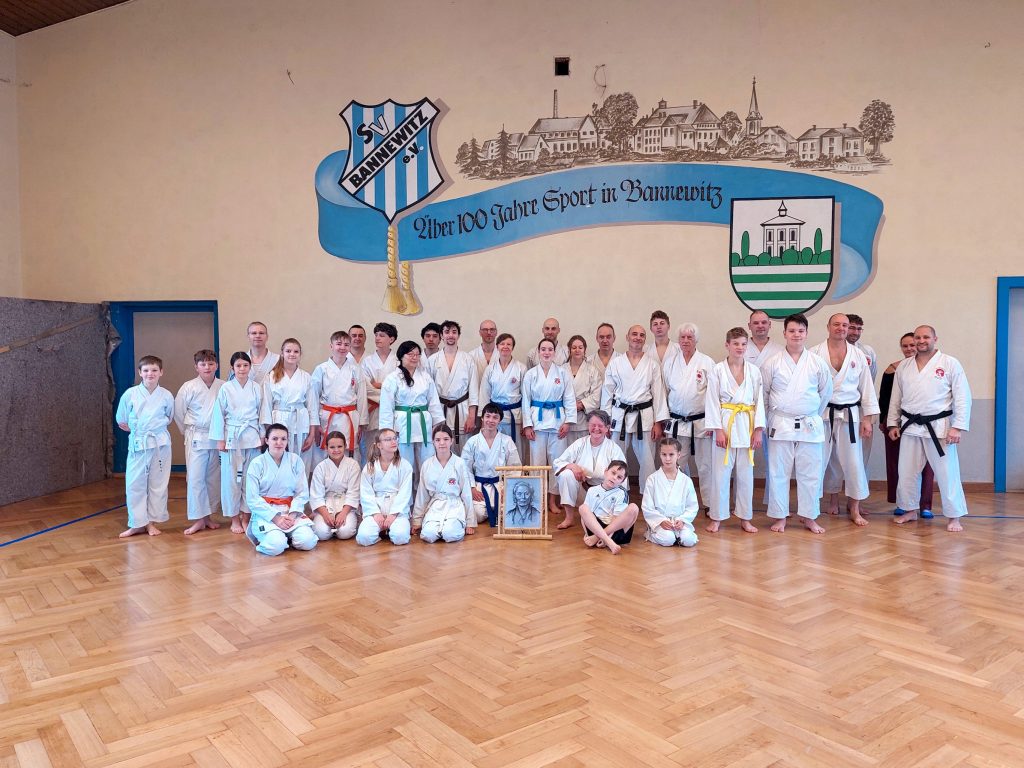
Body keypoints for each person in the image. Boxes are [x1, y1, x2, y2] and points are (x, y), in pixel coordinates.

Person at [887, 325, 972, 532]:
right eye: (918, 337)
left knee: (947, 472)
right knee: (906, 471)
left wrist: (958, 427)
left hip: (939, 426)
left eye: (926, 337)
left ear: (935, 339)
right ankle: (909, 510)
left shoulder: (949, 363)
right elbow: (896, 397)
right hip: (910, 425)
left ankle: (954, 516)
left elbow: (963, 396)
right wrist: (892, 423)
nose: (921, 341)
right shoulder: (904, 366)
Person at [761, 314, 833, 534]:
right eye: (792, 331)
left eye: (801, 331)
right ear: (784, 333)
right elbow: (763, 395)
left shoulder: (817, 363)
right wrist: (766, 421)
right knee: (778, 472)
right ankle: (780, 516)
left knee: (811, 473)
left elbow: (825, 393)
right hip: (781, 423)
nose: (796, 335)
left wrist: (810, 412)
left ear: (806, 333)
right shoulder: (772, 363)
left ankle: (809, 516)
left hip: (809, 422)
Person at [810, 314, 879, 527]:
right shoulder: (813, 353)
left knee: (854, 462)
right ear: (828, 326)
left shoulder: (858, 355)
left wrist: (867, 419)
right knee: (817, 461)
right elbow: (807, 386)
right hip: (822, 414)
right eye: (837, 324)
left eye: (845, 325)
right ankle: (810, 509)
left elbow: (867, 387)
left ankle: (855, 508)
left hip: (850, 414)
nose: (841, 328)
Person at [704, 328, 765, 533]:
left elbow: (759, 401)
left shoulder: (754, 371)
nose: (740, 347)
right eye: (736, 343)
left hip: (747, 424)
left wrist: (758, 430)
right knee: (720, 475)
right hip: (726, 424)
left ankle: (745, 518)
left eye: (743, 344)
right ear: (727, 345)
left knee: (746, 475)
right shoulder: (717, 370)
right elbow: (712, 401)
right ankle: (717, 517)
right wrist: (718, 430)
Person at [600, 325, 668, 488]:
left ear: (645, 339)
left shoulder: (652, 364)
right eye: (634, 334)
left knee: (647, 459)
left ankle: (649, 494)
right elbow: (607, 393)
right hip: (619, 415)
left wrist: (658, 422)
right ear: (627, 337)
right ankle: (617, 492)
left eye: (641, 335)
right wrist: (605, 421)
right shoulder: (616, 363)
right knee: (616, 458)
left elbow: (658, 394)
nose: (638, 338)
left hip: (644, 416)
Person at [116, 355, 174, 538]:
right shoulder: (130, 394)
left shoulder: (166, 395)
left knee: (158, 484)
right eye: (146, 370)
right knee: (134, 484)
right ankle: (136, 523)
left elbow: (169, 417)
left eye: (154, 370)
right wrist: (139, 430)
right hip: (139, 443)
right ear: (140, 372)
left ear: (161, 372)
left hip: (159, 443)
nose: (150, 374)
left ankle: (151, 523)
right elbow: (122, 420)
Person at [880, 333, 935, 517]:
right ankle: (902, 502)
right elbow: (885, 399)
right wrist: (886, 422)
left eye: (912, 345)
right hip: (897, 422)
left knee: (927, 464)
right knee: (898, 463)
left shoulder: (932, 367)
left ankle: (925, 504)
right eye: (905, 346)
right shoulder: (893, 369)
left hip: (925, 422)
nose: (909, 348)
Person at [522, 338, 577, 520]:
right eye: (543, 349)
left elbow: (569, 398)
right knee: (537, 463)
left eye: (550, 349)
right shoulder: (531, 374)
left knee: (557, 462)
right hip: (537, 423)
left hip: (557, 422)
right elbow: (525, 400)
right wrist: (527, 425)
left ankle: (553, 500)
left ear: (554, 352)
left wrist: (568, 422)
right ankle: (538, 499)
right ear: (538, 352)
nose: (546, 352)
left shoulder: (562, 373)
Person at [210, 351, 264, 534]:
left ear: (250, 367)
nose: (242, 369)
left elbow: (262, 412)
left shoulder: (256, 387)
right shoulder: (226, 388)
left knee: (251, 480)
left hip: (252, 437)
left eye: (245, 365)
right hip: (232, 438)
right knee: (231, 481)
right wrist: (220, 440)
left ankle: (246, 517)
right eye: (238, 366)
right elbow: (218, 414)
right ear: (232, 368)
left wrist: (262, 436)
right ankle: (234, 519)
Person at [662, 323, 714, 509]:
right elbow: (664, 392)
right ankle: (677, 502)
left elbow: (713, 396)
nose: (685, 341)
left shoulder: (707, 362)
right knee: (675, 464)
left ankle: (709, 504)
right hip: (676, 422)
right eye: (682, 337)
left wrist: (713, 423)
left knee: (706, 465)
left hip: (701, 422)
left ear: (696, 340)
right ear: (678, 340)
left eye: (689, 337)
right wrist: (663, 420)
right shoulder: (670, 363)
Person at [244, 424, 318, 556]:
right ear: (267, 440)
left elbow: (302, 493)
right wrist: (276, 519)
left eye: (283, 439)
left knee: (308, 541)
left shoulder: (295, 460)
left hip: (290, 511)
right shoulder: (257, 463)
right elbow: (252, 499)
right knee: (276, 546)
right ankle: (275, 538)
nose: (279, 442)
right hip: (267, 513)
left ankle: (288, 537)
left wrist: (292, 516)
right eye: (275, 439)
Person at [174, 349, 224, 535]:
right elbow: (178, 413)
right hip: (196, 436)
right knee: (195, 478)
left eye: (211, 363)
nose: (207, 367)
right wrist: (187, 432)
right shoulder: (188, 387)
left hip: (216, 438)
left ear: (216, 365)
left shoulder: (223, 386)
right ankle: (198, 519)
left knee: (213, 479)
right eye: (203, 364)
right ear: (196, 367)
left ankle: (208, 517)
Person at [552, 410, 626, 529]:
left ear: (607, 428)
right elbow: (558, 462)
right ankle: (569, 518)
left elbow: (622, 476)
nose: (596, 428)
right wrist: (572, 466)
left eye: (600, 426)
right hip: (583, 491)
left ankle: (603, 517)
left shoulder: (614, 449)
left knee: (602, 521)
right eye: (593, 425)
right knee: (566, 474)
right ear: (588, 426)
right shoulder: (580, 443)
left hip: (605, 495)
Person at [379, 340, 444, 473]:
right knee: (404, 462)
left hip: (423, 423)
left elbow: (433, 402)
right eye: (410, 354)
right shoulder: (392, 378)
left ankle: (425, 486)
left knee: (427, 461)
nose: (414, 357)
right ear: (401, 356)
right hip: (402, 424)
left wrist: (437, 424)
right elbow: (386, 407)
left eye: (417, 354)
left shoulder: (425, 377)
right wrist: (387, 431)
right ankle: (406, 487)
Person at [261, 338, 317, 473]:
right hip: (279, 420)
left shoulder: (306, 377)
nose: (292, 354)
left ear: (300, 354)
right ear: (282, 353)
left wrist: (312, 434)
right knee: (279, 461)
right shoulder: (271, 376)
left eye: (296, 351)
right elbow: (266, 405)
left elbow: (312, 406)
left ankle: (301, 486)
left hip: (301, 422)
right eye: (288, 351)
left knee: (301, 462)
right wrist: (269, 431)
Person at [311, 331, 368, 463]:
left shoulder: (355, 369)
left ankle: (350, 475)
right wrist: (315, 423)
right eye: (339, 344)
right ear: (331, 346)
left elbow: (361, 397)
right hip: (327, 417)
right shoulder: (321, 369)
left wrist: (362, 423)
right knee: (325, 450)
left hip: (349, 417)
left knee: (349, 451)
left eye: (346, 344)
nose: (342, 347)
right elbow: (313, 397)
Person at [462, 403, 523, 527]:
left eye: (495, 417)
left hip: (500, 485)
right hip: (479, 487)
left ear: (500, 420)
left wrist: (508, 488)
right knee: (477, 514)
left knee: (509, 513)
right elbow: (465, 468)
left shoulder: (507, 441)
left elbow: (515, 467)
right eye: (488, 416)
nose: (491, 420)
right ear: (482, 418)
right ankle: (490, 511)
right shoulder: (472, 442)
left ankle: (497, 510)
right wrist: (472, 488)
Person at [412, 424, 475, 541]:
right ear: (433, 442)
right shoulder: (427, 464)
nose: (442, 443)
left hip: (454, 505)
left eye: (446, 439)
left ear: (451, 441)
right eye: (438, 440)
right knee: (428, 535)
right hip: (435, 506)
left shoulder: (459, 463)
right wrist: (417, 520)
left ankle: (453, 526)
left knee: (450, 534)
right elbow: (422, 495)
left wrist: (470, 522)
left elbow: (466, 493)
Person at [356, 429, 414, 546]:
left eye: (395, 438)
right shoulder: (370, 467)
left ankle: (390, 530)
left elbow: (405, 493)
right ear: (379, 445)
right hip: (376, 508)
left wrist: (393, 514)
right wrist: (375, 513)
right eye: (388, 439)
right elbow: (366, 494)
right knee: (363, 538)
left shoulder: (405, 466)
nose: (393, 442)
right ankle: (381, 531)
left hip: (397, 510)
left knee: (400, 537)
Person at [427, 320, 479, 448]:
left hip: (462, 410)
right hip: (439, 410)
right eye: (447, 332)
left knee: (464, 448)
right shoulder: (432, 360)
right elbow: (429, 392)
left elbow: (473, 391)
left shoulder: (468, 359)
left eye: (454, 332)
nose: (450, 335)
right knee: (441, 445)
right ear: (441, 335)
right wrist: (432, 416)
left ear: (458, 336)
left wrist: (472, 417)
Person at [642, 438, 699, 547]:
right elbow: (647, 506)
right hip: (661, 523)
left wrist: (682, 520)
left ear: (678, 455)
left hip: (679, 522)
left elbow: (692, 506)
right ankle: (650, 533)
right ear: (660, 455)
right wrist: (661, 521)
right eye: (664, 454)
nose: (667, 459)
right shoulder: (652, 479)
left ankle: (679, 536)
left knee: (689, 540)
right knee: (668, 539)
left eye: (671, 454)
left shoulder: (686, 480)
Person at [309, 431, 361, 541]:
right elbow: (316, 496)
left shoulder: (353, 465)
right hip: (326, 504)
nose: (336, 450)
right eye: (332, 447)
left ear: (345, 446)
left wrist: (343, 513)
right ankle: (321, 520)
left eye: (339, 446)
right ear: (326, 448)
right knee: (321, 533)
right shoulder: (320, 467)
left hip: (346, 504)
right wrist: (325, 514)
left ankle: (351, 519)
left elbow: (354, 493)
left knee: (345, 532)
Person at [579, 460, 639, 555]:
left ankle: (605, 540)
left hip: (614, 530)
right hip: (595, 528)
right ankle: (608, 542)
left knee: (634, 507)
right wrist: (587, 533)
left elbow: (616, 518)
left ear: (622, 481)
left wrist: (603, 537)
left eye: (619, 477)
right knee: (583, 508)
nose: (614, 478)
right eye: (613, 473)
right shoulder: (592, 490)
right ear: (606, 471)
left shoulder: (621, 492)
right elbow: (584, 518)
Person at [361, 322, 399, 464]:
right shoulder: (367, 361)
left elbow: (400, 388)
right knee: (371, 449)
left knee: (391, 449)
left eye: (382, 335)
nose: (377, 338)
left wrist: (379, 384)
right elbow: (367, 388)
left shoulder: (398, 361)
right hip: (373, 410)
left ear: (391, 339)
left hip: (392, 411)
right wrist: (387, 390)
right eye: (376, 335)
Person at [478, 333, 526, 444]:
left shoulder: (521, 368)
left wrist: (526, 421)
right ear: (497, 347)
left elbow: (526, 397)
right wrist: (484, 419)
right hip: (494, 417)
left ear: (513, 347)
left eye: (509, 344)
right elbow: (484, 395)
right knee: (496, 447)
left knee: (516, 448)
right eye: (502, 344)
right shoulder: (490, 369)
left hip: (515, 416)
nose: (505, 346)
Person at [847, 313, 879, 467]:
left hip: (862, 406)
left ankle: (861, 481)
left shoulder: (867, 352)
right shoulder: (826, 351)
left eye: (859, 329)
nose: (855, 332)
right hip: (840, 406)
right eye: (852, 328)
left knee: (863, 449)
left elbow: (871, 378)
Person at [566, 335, 602, 442]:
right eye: (574, 347)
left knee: (584, 449)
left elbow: (597, 395)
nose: (577, 350)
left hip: (584, 420)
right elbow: (555, 394)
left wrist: (581, 404)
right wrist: (570, 405)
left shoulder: (592, 370)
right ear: (569, 350)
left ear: (584, 350)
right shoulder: (561, 370)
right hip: (566, 420)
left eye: (580, 347)